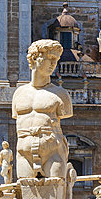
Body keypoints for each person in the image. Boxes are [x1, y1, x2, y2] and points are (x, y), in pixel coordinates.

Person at [12, 39, 73, 180]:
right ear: (35, 58)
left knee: (55, 194)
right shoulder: (19, 94)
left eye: (56, 60)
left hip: (52, 149)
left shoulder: (61, 94)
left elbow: (65, 113)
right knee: (28, 195)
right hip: (24, 151)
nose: (53, 64)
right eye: (50, 58)